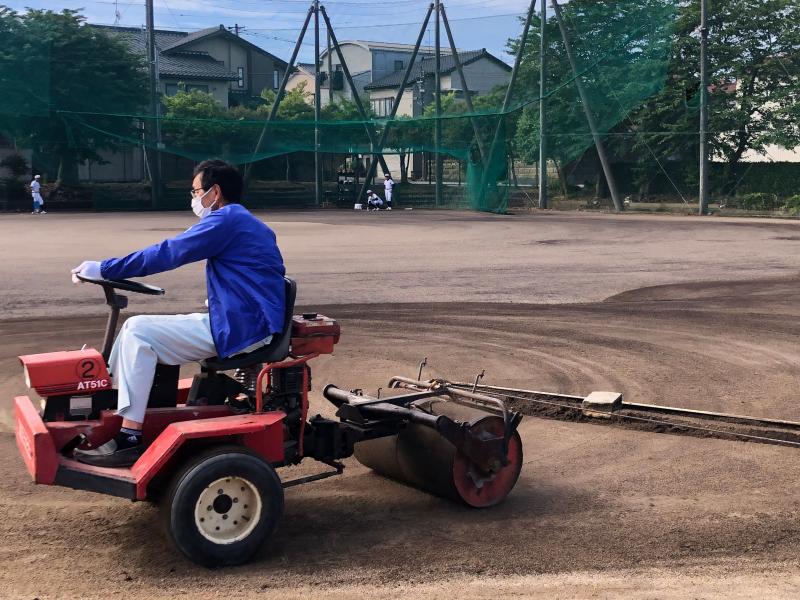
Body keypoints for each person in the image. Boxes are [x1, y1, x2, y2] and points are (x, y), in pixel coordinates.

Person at [70, 159, 286, 467]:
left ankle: (129, 437)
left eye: (196, 191)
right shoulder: (245, 222)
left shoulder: (226, 220)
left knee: (139, 333)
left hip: (243, 326)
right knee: (135, 327)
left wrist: (105, 268)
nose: (194, 198)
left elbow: (169, 252)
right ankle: (117, 401)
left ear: (214, 192)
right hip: (245, 319)